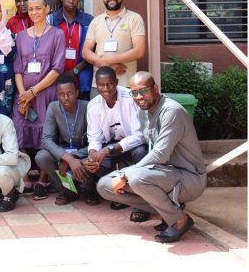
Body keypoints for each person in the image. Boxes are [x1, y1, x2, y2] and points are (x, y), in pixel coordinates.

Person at [97, 72, 206, 243]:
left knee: (136, 178)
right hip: (163, 173)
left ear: (155, 88)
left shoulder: (171, 111)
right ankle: (166, 210)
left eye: (143, 91)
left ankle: (179, 220)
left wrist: (126, 174)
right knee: (105, 186)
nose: (139, 97)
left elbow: (160, 154)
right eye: (134, 93)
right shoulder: (144, 112)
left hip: (189, 178)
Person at [12, 0, 65, 198]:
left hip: (46, 93)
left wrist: (33, 92)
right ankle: (25, 177)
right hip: (24, 94)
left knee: (46, 133)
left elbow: (57, 68)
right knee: (19, 131)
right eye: (31, 8)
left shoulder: (57, 34)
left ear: (47, 9)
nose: (34, 12)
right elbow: (18, 68)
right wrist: (23, 95)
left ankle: (43, 180)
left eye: (38, 8)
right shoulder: (20, 36)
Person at [84, 66, 147, 217]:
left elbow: (139, 136)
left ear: (117, 82)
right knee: (95, 162)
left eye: (110, 84)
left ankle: (142, 201)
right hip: (112, 145)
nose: (106, 89)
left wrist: (107, 150)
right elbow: (94, 138)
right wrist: (93, 154)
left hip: (133, 144)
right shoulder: (93, 105)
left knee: (141, 153)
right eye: (101, 85)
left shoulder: (130, 99)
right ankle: (121, 194)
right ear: (96, 85)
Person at [35, 77, 97, 205]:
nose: (66, 98)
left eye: (70, 93)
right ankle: (66, 191)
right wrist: (66, 158)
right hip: (63, 151)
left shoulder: (88, 107)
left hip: (84, 152)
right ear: (57, 95)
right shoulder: (53, 107)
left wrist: (74, 157)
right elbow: (46, 139)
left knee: (93, 158)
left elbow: (97, 140)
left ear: (77, 93)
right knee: (41, 157)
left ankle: (90, 190)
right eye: (61, 94)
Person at [82, 0, 145, 88]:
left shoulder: (135, 18)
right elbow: (86, 52)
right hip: (99, 86)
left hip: (125, 84)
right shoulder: (95, 21)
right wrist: (108, 65)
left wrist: (108, 62)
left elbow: (139, 51)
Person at [49, 0, 94, 100]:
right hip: (56, 77)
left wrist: (75, 70)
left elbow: (93, 50)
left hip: (82, 77)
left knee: (83, 107)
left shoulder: (89, 20)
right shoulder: (51, 20)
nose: (71, 1)